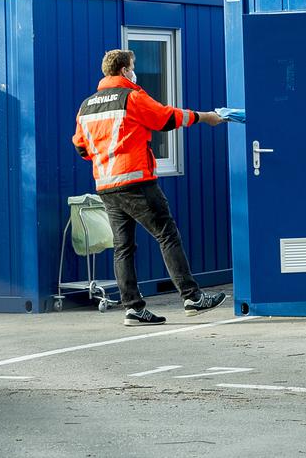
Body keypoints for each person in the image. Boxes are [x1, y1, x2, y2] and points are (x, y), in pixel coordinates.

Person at [72, 48, 228, 326]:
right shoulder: (131, 96)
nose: (135, 71)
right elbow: (166, 118)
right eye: (132, 66)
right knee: (166, 234)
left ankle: (133, 308)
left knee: (123, 247)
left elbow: (81, 147)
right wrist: (204, 117)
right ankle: (191, 297)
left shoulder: (86, 106)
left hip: (106, 186)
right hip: (136, 181)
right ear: (123, 71)